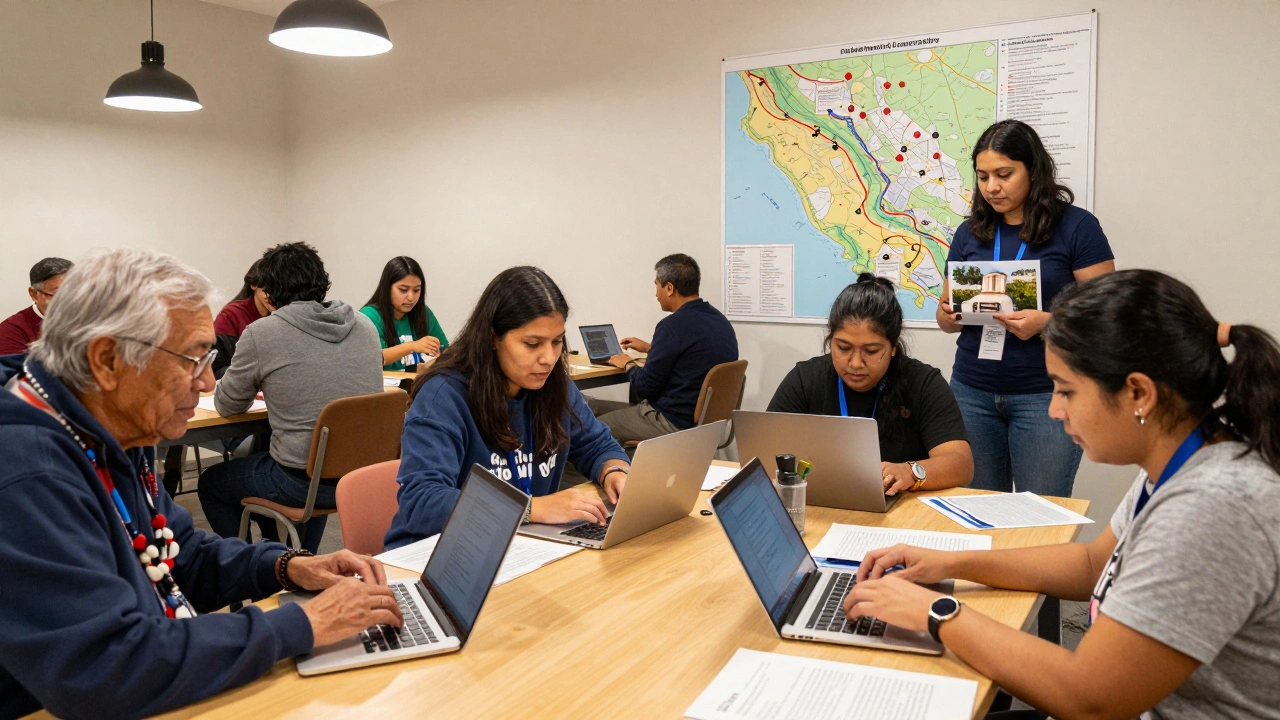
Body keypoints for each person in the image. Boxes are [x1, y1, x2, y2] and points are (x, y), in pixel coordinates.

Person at [846, 270, 1280, 720]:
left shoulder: (1212, 509)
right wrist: (949, 562)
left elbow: (1089, 700)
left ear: (1138, 393)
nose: (1055, 410)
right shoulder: (1185, 460)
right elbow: (1093, 564)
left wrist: (936, 612)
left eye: (1066, 391)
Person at [0, 248, 402, 720]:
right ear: (107, 360)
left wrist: (287, 567)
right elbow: (105, 669)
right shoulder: (27, 469)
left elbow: (178, 553)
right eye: (192, 359)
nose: (208, 380)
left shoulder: (111, 423)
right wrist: (302, 623)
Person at [384, 266, 630, 549]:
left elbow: (596, 443)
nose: (548, 358)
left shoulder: (553, 385)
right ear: (492, 338)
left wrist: (614, 471)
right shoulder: (444, 395)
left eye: (557, 341)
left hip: (516, 544)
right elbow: (422, 503)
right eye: (532, 343)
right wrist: (530, 509)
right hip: (437, 553)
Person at [938, 120, 1115, 497]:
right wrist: (949, 315)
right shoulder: (969, 232)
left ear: (1033, 170)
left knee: (1039, 519)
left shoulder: (1077, 226)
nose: (992, 187)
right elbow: (944, 318)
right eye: (983, 176)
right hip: (971, 392)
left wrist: (1048, 323)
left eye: (1004, 174)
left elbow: (1107, 314)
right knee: (975, 513)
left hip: (1046, 395)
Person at [198, 242, 383, 553]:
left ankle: (249, 570)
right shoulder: (364, 325)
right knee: (316, 459)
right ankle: (302, 559)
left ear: (268, 293)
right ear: (322, 282)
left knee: (212, 483)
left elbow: (227, 404)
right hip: (361, 476)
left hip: (299, 482)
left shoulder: (262, 333)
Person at [769, 274, 973, 495]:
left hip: (902, 510)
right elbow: (765, 449)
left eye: (871, 351)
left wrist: (911, 472)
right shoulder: (806, 379)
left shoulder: (923, 383)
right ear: (831, 340)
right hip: (824, 505)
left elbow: (961, 464)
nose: (855, 363)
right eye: (843, 348)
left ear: (893, 347)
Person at [596, 254, 738, 443]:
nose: (656, 294)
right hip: (708, 425)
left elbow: (644, 387)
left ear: (669, 288)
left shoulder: (672, 326)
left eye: (657, 285)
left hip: (673, 422)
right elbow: (693, 357)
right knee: (596, 409)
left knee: (591, 431)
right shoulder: (719, 321)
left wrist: (627, 363)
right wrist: (651, 348)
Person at [359, 256, 449, 371]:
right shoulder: (368, 317)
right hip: (385, 387)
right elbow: (373, 359)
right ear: (387, 288)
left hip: (417, 385)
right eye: (403, 290)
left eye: (416, 290)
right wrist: (413, 346)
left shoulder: (424, 313)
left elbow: (445, 350)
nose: (411, 298)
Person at [0, 257, 73, 356]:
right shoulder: (11, 331)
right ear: (33, 294)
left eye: (74, 290)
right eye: (57, 293)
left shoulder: (90, 320)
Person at [211, 259, 270, 379]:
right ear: (253, 285)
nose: (272, 294)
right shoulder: (230, 315)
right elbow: (217, 368)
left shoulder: (283, 314)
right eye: (267, 287)